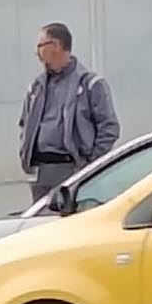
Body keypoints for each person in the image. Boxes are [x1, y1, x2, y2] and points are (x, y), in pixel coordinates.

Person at [19, 22, 120, 202]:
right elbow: (24, 124)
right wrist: (25, 154)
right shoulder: (36, 87)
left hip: (72, 168)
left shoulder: (90, 84)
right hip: (41, 171)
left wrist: (90, 165)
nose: (37, 53)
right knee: (41, 225)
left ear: (56, 45)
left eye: (40, 46)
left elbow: (109, 128)